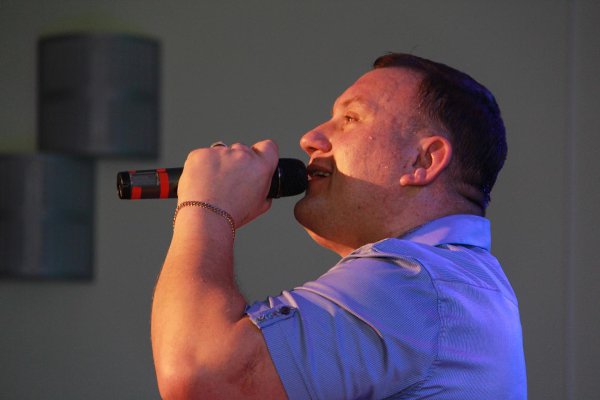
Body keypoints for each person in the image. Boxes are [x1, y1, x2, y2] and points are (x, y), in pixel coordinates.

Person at [151, 53, 527, 399]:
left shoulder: (414, 283)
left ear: (423, 160)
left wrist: (207, 206)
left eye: (350, 118)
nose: (311, 139)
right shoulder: (453, 283)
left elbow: (200, 374)